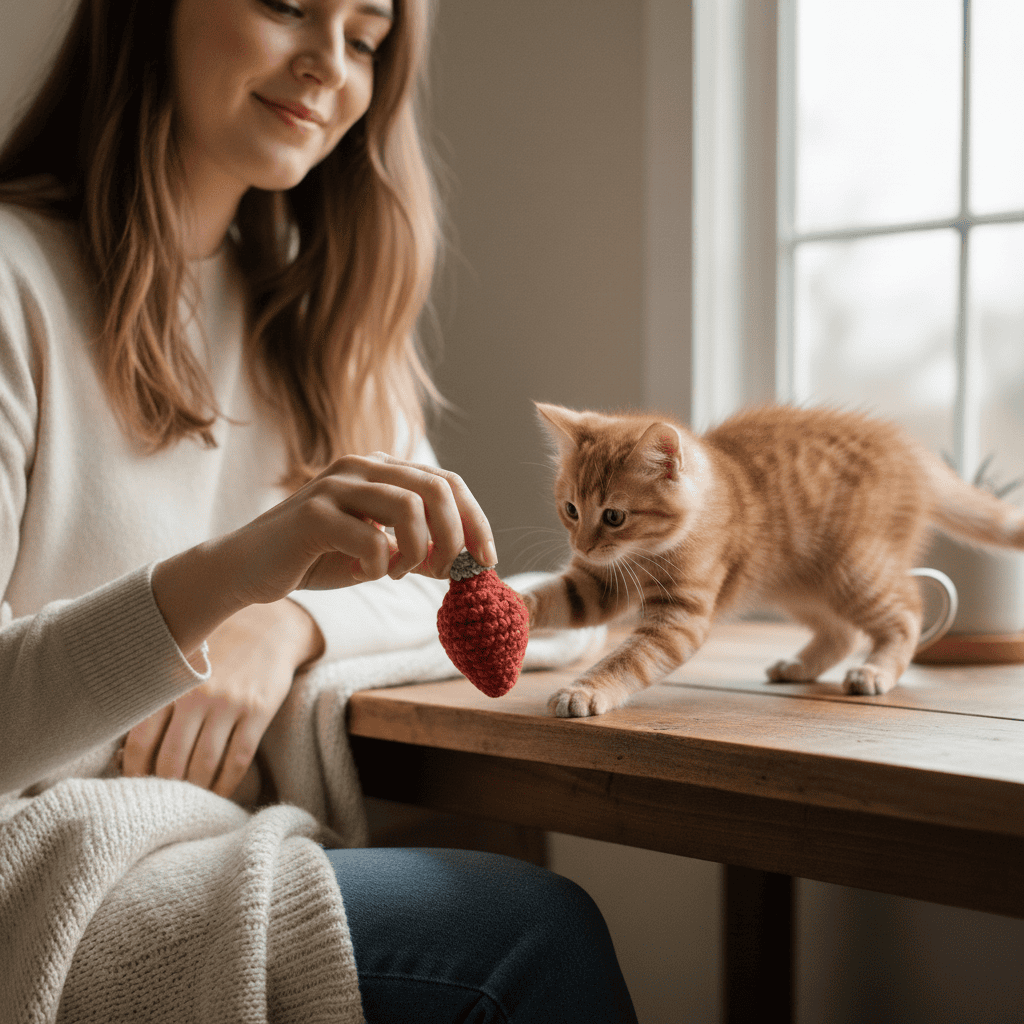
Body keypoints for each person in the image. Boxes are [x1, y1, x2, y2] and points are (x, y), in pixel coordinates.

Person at [0, 0, 640, 1020]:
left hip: (207, 839)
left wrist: (284, 621)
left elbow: (461, 590)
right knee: (524, 936)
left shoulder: (319, 321)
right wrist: (226, 581)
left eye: (366, 38)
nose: (329, 66)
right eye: (289, 6)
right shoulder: (11, 279)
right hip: (37, 872)